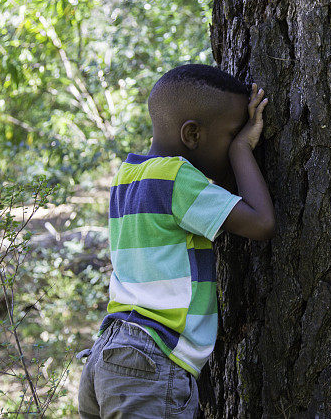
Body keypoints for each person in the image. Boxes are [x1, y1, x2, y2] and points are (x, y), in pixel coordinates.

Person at [77, 64, 276, 418]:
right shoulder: (176, 178)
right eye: (231, 134)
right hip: (149, 363)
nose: (235, 140)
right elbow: (261, 223)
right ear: (193, 135)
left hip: (105, 360)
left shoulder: (127, 177)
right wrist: (242, 151)